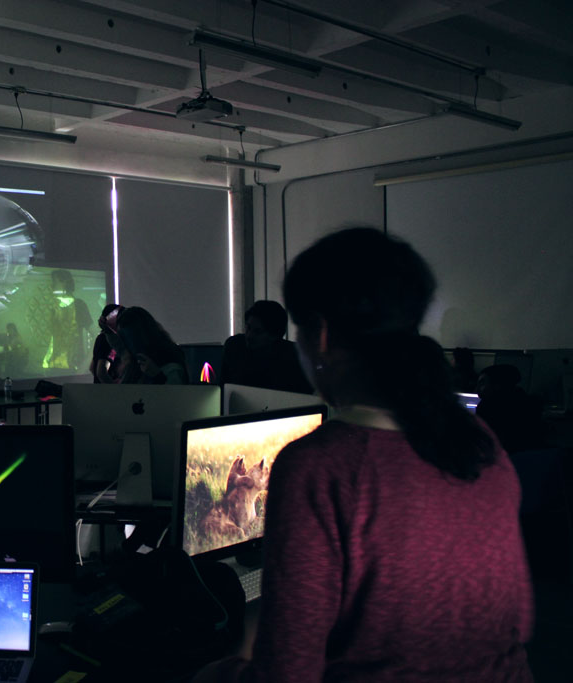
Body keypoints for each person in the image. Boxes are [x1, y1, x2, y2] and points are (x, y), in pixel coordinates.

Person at [195, 228, 533, 682]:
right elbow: (518, 618)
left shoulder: (319, 466)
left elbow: (288, 672)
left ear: (321, 335)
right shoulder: (477, 439)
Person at [220, 300, 312, 394]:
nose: (249, 335)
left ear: (274, 335)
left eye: (258, 332)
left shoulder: (293, 357)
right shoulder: (234, 347)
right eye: (248, 327)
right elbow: (222, 387)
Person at [476, 364, 551, 453]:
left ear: (497, 385)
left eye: (482, 383)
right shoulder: (527, 402)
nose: (478, 388)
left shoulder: (487, 407)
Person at [115, 306, 188, 384]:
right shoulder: (134, 364)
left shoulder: (171, 367)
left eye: (127, 338)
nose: (125, 345)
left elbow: (173, 390)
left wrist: (157, 376)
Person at [43, 269, 93, 372]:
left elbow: (97, 335)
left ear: (64, 283)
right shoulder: (54, 308)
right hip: (52, 367)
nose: (52, 286)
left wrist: (85, 365)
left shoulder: (78, 305)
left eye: (54, 282)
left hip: (72, 367)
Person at [90, 304, 126, 384]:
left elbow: (92, 368)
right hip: (107, 391)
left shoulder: (101, 337)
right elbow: (101, 372)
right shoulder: (110, 341)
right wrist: (115, 387)